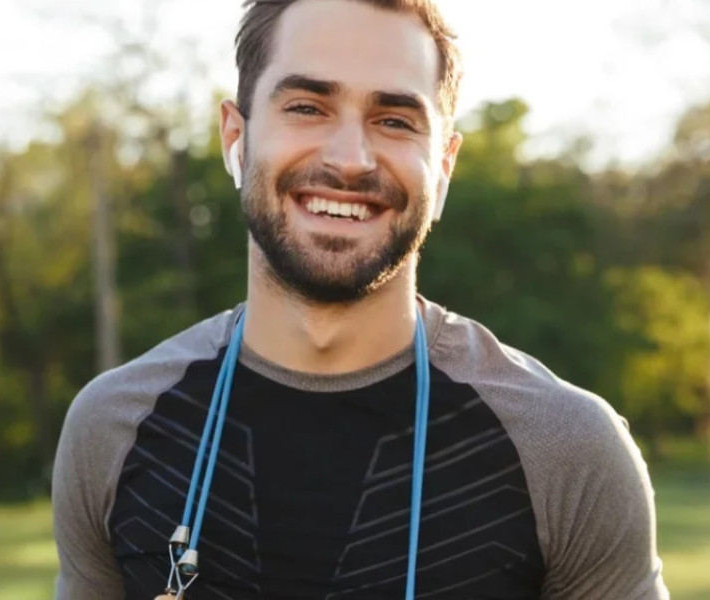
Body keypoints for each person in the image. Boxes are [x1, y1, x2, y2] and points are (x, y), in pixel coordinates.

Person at [52, 0, 670, 598]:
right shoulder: (113, 426)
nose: (350, 159)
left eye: (395, 120)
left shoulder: (566, 448)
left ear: (445, 165)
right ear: (235, 136)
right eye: (306, 106)